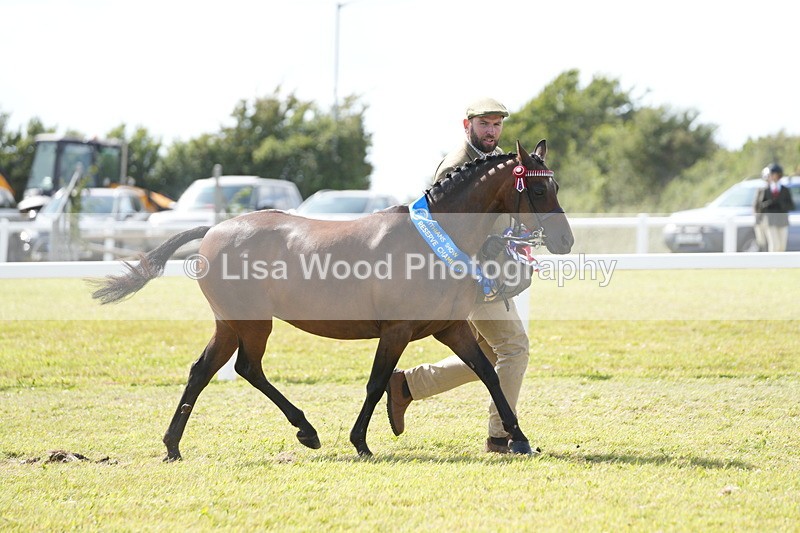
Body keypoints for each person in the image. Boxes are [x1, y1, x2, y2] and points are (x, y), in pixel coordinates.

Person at [386, 97, 533, 454]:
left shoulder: (495, 162)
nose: (492, 131)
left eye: (497, 124)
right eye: (485, 124)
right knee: (514, 348)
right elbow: (445, 233)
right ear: (467, 126)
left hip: (489, 274)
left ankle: (407, 386)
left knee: (486, 352)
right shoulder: (456, 166)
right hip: (471, 279)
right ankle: (501, 436)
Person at [754, 163, 795, 252]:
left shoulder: (784, 190)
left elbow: (791, 205)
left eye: (773, 174)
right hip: (770, 220)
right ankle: (772, 264)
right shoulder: (765, 190)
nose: (771, 176)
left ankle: (780, 264)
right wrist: (769, 204)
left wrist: (780, 204)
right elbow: (760, 206)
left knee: (782, 245)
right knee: (774, 244)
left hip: (782, 219)